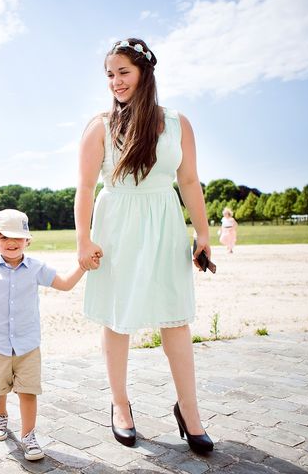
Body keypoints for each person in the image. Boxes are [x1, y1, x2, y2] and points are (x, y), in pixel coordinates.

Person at [74, 38, 214, 454]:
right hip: (116, 223)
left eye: (123, 72)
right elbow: (84, 186)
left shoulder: (177, 123)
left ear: (145, 73)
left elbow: (188, 181)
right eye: (110, 75)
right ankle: (120, 405)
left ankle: (190, 412)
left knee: (175, 319)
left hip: (165, 222)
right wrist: (84, 239)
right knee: (118, 319)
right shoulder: (99, 125)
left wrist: (202, 233)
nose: (115, 82)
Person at [0, 209, 86, 461]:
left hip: (27, 345)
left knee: (28, 392)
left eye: (17, 237)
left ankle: (28, 435)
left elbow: (65, 284)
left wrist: (82, 265)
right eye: (3, 237)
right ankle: (0, 417)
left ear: (27, 240)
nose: (11, 243)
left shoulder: (36, 268)